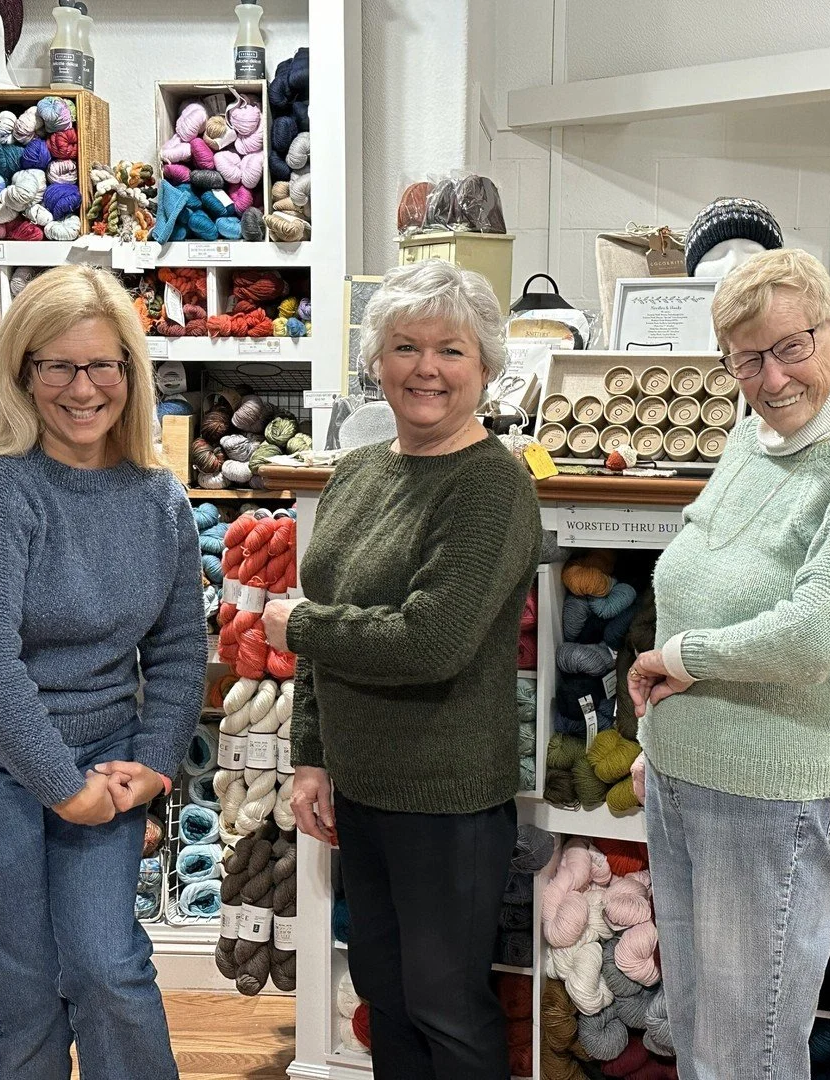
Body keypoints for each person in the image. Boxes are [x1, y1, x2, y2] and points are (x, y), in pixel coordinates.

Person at [0, 264, 204, 1080]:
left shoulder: (159, 499)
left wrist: (153, 765)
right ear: (23, 374)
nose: (84, 387)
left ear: (131, 374)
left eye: (103, 364)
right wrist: (62, 788)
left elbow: (180, 651)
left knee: (108, 969)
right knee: (31, 993)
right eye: (58, 366)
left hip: (101, 756)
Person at [627, 247, 830, 1080]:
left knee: (749, 1049)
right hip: (683, 776)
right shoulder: (749, 443)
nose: (772, 376)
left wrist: (685, 658)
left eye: (791, 347)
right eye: (747, 358)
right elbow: (698, 581)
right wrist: (660, 747)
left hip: (766, 793)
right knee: (699, 1033)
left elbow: (815, 635)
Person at [263, 259, 541, 1080]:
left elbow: (431, 641)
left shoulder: (491, 485)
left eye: (451, 351)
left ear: (485, 367)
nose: (427, 369)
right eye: (405, 346)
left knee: (447, 1009)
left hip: (447, 798)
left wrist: (302, 626)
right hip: (365, 787)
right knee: (387, 992)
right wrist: (311, 754)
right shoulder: (357, 473)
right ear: (375, 362)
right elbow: (326, 625)